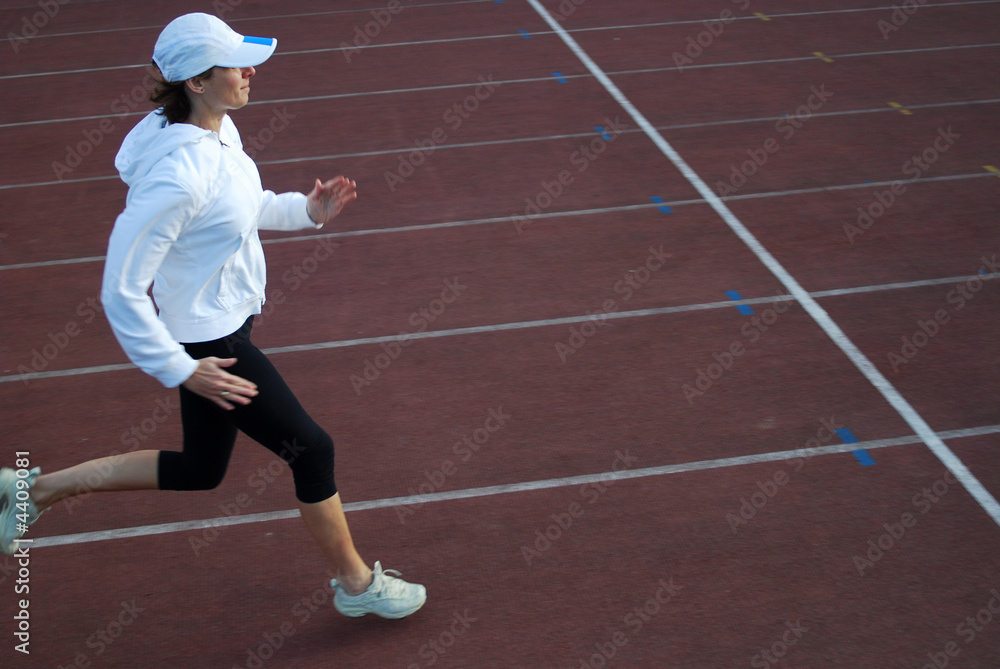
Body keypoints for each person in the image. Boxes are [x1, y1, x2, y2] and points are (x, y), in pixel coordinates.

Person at [0, 12, 426, 620]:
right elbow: (121, 289)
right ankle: (357, 586)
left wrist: (305, 210)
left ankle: (32, 490)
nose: (250, 72)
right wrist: (182, 369)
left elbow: (240, 206)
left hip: (220, 326)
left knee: (201, 469)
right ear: (197, 82)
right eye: (235, 65)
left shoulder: (216, 129)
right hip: (210, 344)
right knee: (311, 450)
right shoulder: (177, 176)